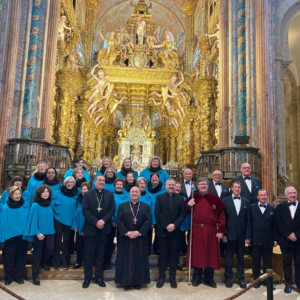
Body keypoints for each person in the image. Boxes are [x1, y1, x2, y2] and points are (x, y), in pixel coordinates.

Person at [185, 178, 226, 288]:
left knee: (210, 254)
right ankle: (197, 277)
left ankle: (209, 278)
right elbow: (186, 209)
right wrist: (189, 205)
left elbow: (221, 217)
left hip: (211, 230)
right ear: (197, 186)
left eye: (205, 184)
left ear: (208, 186)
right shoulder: (194, 197)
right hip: (196, 230)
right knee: (197, 254)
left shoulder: (215, 199)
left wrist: (221, 230)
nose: (203, 186)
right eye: (201, 184)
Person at [82, 175, 115, 289]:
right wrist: (96, 221)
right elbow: (85, 210)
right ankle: (87, 278)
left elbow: (112, 210)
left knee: (101, 255)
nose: (101, 182)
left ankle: (99, 277)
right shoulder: (88, 194)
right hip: (91, 228)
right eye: (99, 180)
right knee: (89, 255)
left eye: (103, 181)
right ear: (94, 182)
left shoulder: (109, 194)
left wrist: (103, 221)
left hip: (104, 229)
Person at [115, 187, 151, 290]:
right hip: (125, 238)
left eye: (136, 192)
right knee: (124, 258)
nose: (134, 193)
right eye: (132, 192)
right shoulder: (122, 206)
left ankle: (137, 282)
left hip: (139, 238)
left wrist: (139, 232)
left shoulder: (145, 206)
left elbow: (148, 221)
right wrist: (126, 232)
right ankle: (124, 282)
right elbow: (119, 220)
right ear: (129, 194)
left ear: (140, 194)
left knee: (139, 259)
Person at [155, 179, 185, 289]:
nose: (171, 186)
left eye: (173, 185)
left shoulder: (180, 198)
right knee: (163, 256)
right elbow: (157, 213)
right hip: (163, 231)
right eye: (169, 185)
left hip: (175, 232)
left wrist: (174, 225)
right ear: (166, 186)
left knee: (174, 256)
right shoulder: (159, 197)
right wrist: (166, 225)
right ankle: (161, 277)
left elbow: (182, 214)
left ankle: (172, 277)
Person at [23, 185, 55, 286]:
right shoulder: (35, 205)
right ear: (39, 194)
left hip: (49, 231)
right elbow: (32, 220)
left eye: (47, 192)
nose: (46, 193)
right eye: (43, 192)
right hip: (38, 233)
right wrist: (37, 232)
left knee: (50, 249)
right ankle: (35, 276)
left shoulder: (50, 204)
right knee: (37, 254)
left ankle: (43, 263)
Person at [222, 181, 251, 289]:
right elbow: (223, 219)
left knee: (240, 258)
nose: (237, 189)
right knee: (228, 257)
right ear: (231, 188)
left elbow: (248, 221)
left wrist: (248, 236)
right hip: (229, 234)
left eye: (239, 187)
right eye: (235, 187)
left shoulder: (246, 202)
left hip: (241, 235)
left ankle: (241, 278)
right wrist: (224, 234)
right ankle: (228, 278)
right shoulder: (225, 201)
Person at [0, 186, 30, 285]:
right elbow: (3, 223)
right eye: (15, 194)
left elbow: (28, 220)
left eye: (19, 194)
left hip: (22, 236)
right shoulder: (5, 207)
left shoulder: (25, 205)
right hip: (9, 236)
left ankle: (19, 277)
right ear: (11, 195)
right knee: (9, 258)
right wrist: (2, 238)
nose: (18, 196)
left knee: (21, 258)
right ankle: (8, 278)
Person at [250, 189, 276, 289]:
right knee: (255, 262)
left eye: (264, 195)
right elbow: (249, 224)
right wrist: (248, 237)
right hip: (255, 240)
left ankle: (268, 281)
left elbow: (275, 226)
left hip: (268, 240)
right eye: (261, 195)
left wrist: (275, 240)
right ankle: (257, 281)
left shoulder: (273, 209)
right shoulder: (252, 208)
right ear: (257, 197)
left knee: (268, 262)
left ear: (267, 196)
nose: (263, 197)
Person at [276, 186, 300, 294]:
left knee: (299, 263)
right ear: (286, 195)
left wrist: (296, 235)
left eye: (294, 193)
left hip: (299, 240)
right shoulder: (280, 207)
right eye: (289, 193)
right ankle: (288, 284)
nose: (292, 195)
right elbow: (278, 223)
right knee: (286, 262)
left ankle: (299, 284)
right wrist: (288, 235)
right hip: (285, 240)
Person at [51, 176, 78, 270]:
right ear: (64, 183)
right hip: (58, 220)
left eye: (71, 182)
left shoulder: (77, 193)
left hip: (70, 221)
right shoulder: (57, 193)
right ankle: (57, 261)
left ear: (74, 184)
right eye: (67, 182)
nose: (69, 184)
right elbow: (51, 203)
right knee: (57, 242)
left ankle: (64, 261)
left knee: (67, 242)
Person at [103, 178, 129, 270]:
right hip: (111, 223)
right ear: (114, 186)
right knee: (109, 244)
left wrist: (120, 222)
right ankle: (106, 262)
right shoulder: (110, 195)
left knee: (122, 244)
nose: (119, 186)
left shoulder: (127, 196)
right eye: (117, 184)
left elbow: (128, 210)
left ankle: (121, 263)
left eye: (121, 185)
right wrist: (113, 220)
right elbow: (108, 209)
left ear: (123, 186)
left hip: (124, 223)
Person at [208, 170, 230, 258]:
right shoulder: (208, 186)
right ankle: (212, 252)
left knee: (223, 231)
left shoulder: (225, 187)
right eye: (216, 175)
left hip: (222, 212)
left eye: (219, 175)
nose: (217, 176)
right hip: (211, 213)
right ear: (212, 176)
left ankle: (222, 251)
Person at [71, 182, 90, 269]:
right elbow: (75, 213)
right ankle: (78, 261)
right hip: (78, 227)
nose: (83, 191)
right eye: (82, 189)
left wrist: (85, 229)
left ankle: (87, 262)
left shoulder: (91, 200)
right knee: (79, 245)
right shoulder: (78, 200)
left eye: (85, 189)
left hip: (88, 227)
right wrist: (75, 226)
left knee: (87, 246)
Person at [146, 172, 166, 254]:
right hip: (149, 213)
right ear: (150, 179)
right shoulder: (146, 188)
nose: (154, 179)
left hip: (159, 214)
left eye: (156, 177)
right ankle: (147, 249)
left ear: (159, 179)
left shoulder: (163, 189)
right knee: (148, 233)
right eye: (153, 178)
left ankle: (156, 249)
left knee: (159, 233)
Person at [137, 177, 154, 255]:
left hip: (147, 222)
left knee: (147, 239)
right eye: (141, 183)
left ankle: (147, 253)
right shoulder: (134, 194)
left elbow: (152, 210)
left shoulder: (150, 196)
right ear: (138, 184)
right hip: (136, 221)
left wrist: (152, 222)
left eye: (144, 183)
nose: (142, 185)